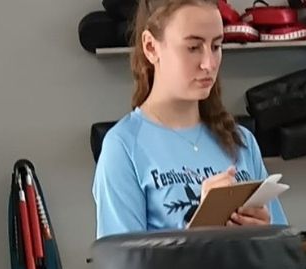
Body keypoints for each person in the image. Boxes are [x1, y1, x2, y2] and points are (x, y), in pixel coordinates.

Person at [92, 0, 286, 238]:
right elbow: (123, 259)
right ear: (151, 47)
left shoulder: (242, 140)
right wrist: (199, 231)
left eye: (216, 46)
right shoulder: (123, 147)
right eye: (193, 48)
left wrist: (264, 237)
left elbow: (283, 248)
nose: (209, 64)